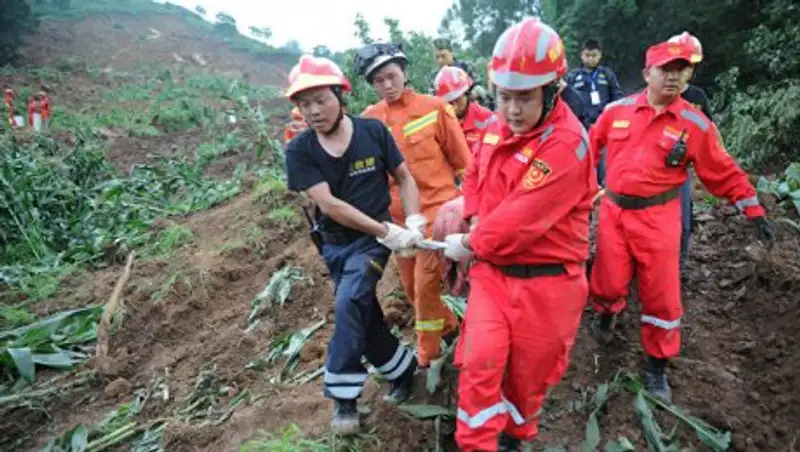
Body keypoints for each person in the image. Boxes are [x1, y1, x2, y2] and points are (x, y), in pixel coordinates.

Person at [588, 41, 777, 402]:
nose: (673, 76)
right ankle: (607, 313)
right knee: (608, 282)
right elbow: (587, 151)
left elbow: (723, 170)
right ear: (647, 74)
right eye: (665, 69)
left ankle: (657, 365)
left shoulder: (694, 122)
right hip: (613, 213)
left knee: (661, 293)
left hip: (659, 218)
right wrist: (583, 191)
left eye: (681, 70)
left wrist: (753, 209)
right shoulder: (616, 112)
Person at [443, 18, 597, 451]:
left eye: (524, 98)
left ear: (553, 91)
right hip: (494, 275)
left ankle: (515, 436)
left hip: (548, 285)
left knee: (528, 378)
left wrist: (470, 241)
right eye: (504, 96)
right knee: (478, 362)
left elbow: (519, 219)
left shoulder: (566, 145)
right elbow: (474, 175)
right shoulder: (495, 127)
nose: (511, 110)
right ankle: (475, 444)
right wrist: (472, 216)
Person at [283, 55, 425, 435]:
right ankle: (403, 370)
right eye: (303, 103)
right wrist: (386, 231)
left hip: (370, 245)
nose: (312, 111)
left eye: (320, 100)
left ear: (340, 95)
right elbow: (328, 204)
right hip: (335, 244)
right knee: (362, 312)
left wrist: (411, 222)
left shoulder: (373, 132)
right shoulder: (299, 151)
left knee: (348, 303)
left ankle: (344, 398)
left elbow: (404, 177)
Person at [354, 43, 473, 375]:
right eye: (378, 80)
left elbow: (465, 164)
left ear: (404, 72)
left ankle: (426, 357)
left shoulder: (435, 108)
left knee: (424, 285)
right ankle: (450, 330)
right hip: (398, 223)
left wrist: (475, 211)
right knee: (410, 289)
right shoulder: (369, 120)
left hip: (438, 213)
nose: (387, 85)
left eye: (391, 76)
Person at [668, 31, 712, 275]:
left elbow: (710, 134)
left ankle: (678, 269)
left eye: (690, 66)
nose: (685, 71)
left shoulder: (697, 97)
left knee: (683, 225)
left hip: (681, 170)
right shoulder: (657, 94)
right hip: (652, 172)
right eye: (680, 64)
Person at [566, 38, 624, 186]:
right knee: (582, 160)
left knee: (604, 162)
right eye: (587, 55)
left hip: (603, 126)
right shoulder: (573, 76)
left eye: (594, 55)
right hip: (581, 127)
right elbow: (565, 102)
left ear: (600, 55)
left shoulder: (607, 75)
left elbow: (617, 98)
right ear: (581, 55)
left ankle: (604, 190)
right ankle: (585, 191)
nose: (590, 58)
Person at [433, 65, 496, 151]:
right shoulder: (438, 124)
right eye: (448, 102)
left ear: (467, 94)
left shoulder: (487, 119)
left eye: (457, 99)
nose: (453, 105)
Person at [432, 38, 493, 108]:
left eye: (443, 56)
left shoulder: (465, 67)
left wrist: (475, 93)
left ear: (451, 53)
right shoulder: (435, 77)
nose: (440, 61)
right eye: (437, 57)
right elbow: (434, 99)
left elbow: (482, 89)